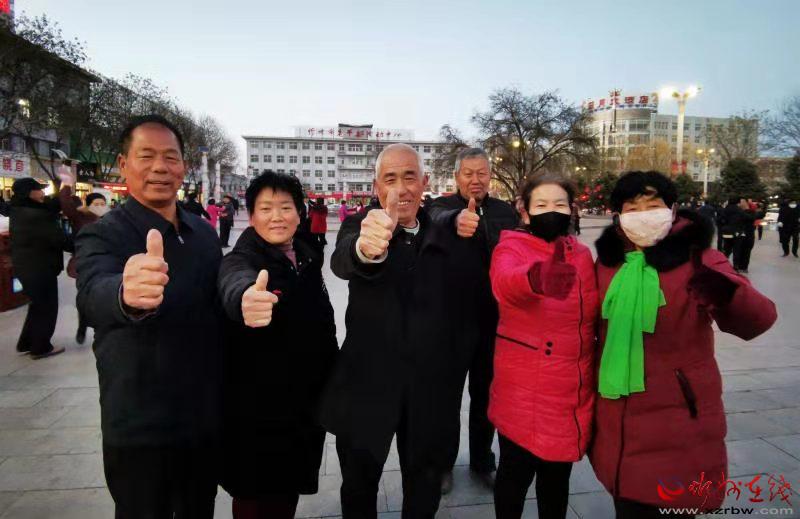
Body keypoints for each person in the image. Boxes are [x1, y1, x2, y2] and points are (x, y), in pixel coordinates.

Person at [590, 171, 777, 518]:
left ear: (672, 210)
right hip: (617, 420)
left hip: (677, 420)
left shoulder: (699, 259)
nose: (644, 215)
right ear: (618, 216)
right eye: (633, 208)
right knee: (627, 505)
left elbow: (760, 318)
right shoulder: (607, 265)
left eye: (653, 206)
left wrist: (728, 294)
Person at [75, 114, 223, 519]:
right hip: (140, 423)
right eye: (146, 156)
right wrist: (125, 294)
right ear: (124, 165)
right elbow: (91, 294)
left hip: (201, 417)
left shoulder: (202, 233)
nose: (160, 167)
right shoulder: (104, 233)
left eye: (170, 157)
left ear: (183, 167)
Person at [319, 143, 461, 518]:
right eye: (390, 178)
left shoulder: (444, 235)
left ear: (424, 182)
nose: (401, 189)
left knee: (424, 484)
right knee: (359, 484)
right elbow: (345, 258)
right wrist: (367, 249)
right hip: (367, 386)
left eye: (409, 177)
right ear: (376, 187)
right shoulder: (360, 225)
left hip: (426, 389)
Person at [217, 171, 338, 519]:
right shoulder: (242, 258)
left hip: (302, 404)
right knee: (256, 495)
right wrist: (245, 297)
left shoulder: (306, 254)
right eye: (266, 208)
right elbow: (234, 280)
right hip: (257, 409)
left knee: (288, 488)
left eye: (285, 207)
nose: (277, 217)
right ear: (252, 215)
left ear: (299, 213)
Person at [488, 172, 597, 519]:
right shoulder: (511, 247)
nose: (552, 211)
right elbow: (505, 283)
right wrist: (536, 277)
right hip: (523, 392)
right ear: (525, 211)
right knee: (514, 478)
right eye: (542, 204)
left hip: (569, 392)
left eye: (560, 204)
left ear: (572, 209)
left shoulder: (582, 255)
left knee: (556, 482)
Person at [427, 147, 518, 493]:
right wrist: (456, 220)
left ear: (490, 176)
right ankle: (443, 464)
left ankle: (482, 461)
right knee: (446, 400)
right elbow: (436, 218)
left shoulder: (505, 212)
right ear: (456, 177)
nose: (475, 180)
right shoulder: (440, 208)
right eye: (468, 173)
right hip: (451, 323)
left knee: (486, 397)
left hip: (494, 324)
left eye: (482, 173)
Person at [9, 177, 65, 359]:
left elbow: (52, 206)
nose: (42, 193)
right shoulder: (36, 215)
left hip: (26, 267)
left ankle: (26, 342)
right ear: (29, 193)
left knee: (37, 306)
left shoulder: (19, 209)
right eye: (39, 190)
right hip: (40, 268)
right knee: (46, 308)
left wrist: (63, 187)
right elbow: (59, 239)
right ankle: (40, 347)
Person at [58, 167, 109, 344]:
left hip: (105, 264)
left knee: (102, 296)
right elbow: (65, 202)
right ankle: (82, 325)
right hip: (83, 264)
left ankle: (101, 326)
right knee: (84, 296)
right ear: (88, 204)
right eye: (97, 204)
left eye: (103, 204)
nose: (100, 207)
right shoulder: (79, 217)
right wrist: (66, 183)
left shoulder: (109, 220)